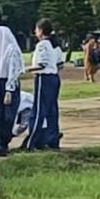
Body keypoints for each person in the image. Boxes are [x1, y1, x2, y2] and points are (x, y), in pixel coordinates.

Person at [25, 19, 63, 151]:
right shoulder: (55, 45)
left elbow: (41, 65)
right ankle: (52, 140)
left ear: (40, 30)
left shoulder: (42, 45)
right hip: (54, 78)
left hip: (44, 78)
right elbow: (60, 64)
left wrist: (25, 69)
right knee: (52, 110)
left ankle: (33, 141)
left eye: (36, 29)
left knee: (39, 110)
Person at [0, 25, 24, 157]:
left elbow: (13, 71)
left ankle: (3, 141)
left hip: (8, 84)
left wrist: (9, 90)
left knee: (8, 116)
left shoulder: (12, 50)